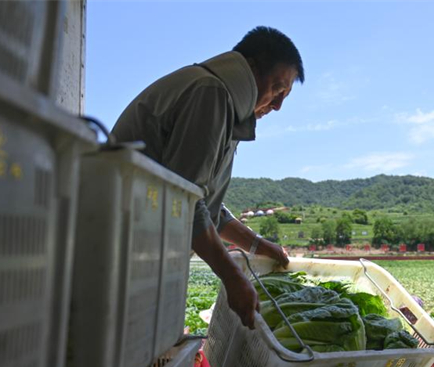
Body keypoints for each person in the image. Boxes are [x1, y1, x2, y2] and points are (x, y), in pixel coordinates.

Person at [112, 27, 304, 330]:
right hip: (119, 254)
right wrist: (232, 276)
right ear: (251, 69)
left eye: (286, 96)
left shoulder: (224, 101)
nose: (278, 105)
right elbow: (184, 203)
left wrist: (260, 246)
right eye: (278, 89)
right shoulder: (210, 94)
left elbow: (207, 209)